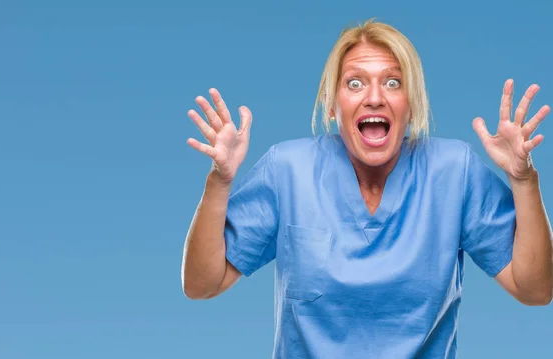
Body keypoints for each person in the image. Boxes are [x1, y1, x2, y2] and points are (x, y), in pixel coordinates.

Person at [180, 19, 553, 358]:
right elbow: (201, 284)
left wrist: (523, 179)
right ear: (331, 104)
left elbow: (535, 290)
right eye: (354, 82)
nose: (374, 97)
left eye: (393, 82)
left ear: (412, 104)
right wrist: (220, 182)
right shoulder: (287, 170)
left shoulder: (454, 171)